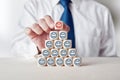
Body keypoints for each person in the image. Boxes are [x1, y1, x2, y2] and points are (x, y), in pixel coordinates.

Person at [12, 0, 117, 58]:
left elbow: (109, 59)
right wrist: (39, 49)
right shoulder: (33, 6)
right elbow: (16, 50)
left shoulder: (101, 12)